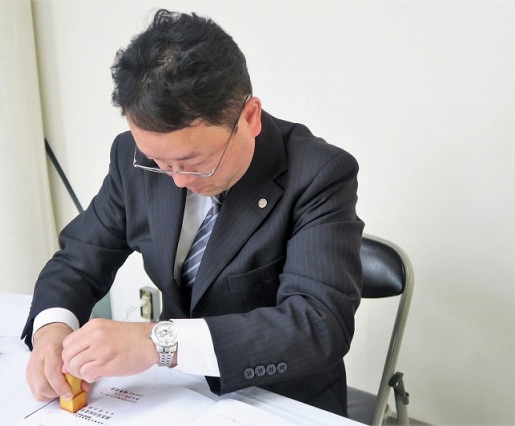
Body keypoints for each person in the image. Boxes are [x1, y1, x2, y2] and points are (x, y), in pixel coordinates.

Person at [22, 9, 363, 417]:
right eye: (159, 163)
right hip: (174, 391)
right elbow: (79, 261)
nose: (178, 180)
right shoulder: (133, 157)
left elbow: (318, 323)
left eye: (194, 161)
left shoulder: (318, 174)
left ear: (250, 118)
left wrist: (157, 342)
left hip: (280, 398)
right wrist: (52, 331)